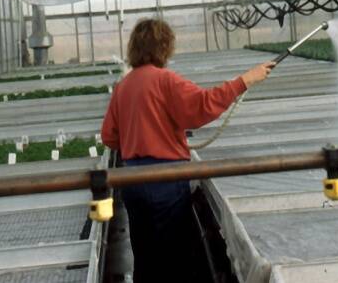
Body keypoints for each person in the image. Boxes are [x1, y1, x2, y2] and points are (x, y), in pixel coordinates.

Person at [101, 18, 275, 282]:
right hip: (166, 180)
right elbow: (202, 106)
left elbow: (109, 137)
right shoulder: (166, 80)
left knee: (146, 257)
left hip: (132, 181)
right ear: (164, 47)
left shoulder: (123, 87)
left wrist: (140, 137)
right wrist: (245, 80)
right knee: (176, 258)